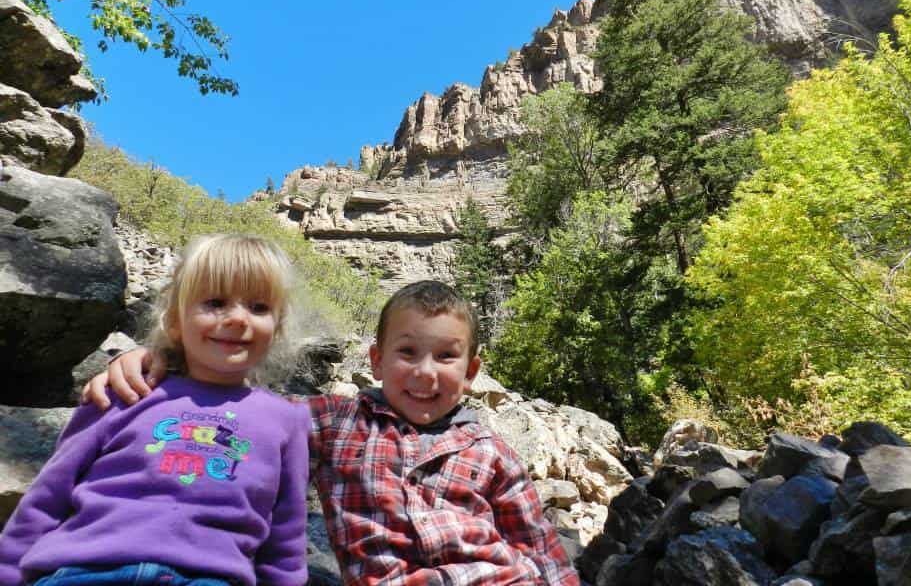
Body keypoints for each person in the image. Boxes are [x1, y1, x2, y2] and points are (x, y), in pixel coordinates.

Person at [84, 280, 580, 586]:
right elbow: (240, 407)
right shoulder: (337, 422)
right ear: (377, 360)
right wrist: (156, 362)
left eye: (446, 357)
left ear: (470, 372)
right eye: (407, 353)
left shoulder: (493, 453)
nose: (426, 373)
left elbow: (543, 552)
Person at [0, 234, 311, 586]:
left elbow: (286, 538)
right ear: (176, 319)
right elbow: (48, 496)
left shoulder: (287, 421)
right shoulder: (126, 392)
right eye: (215, 302)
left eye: (259, 308)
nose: (239, 318)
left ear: (277, 327)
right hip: (84, 570)